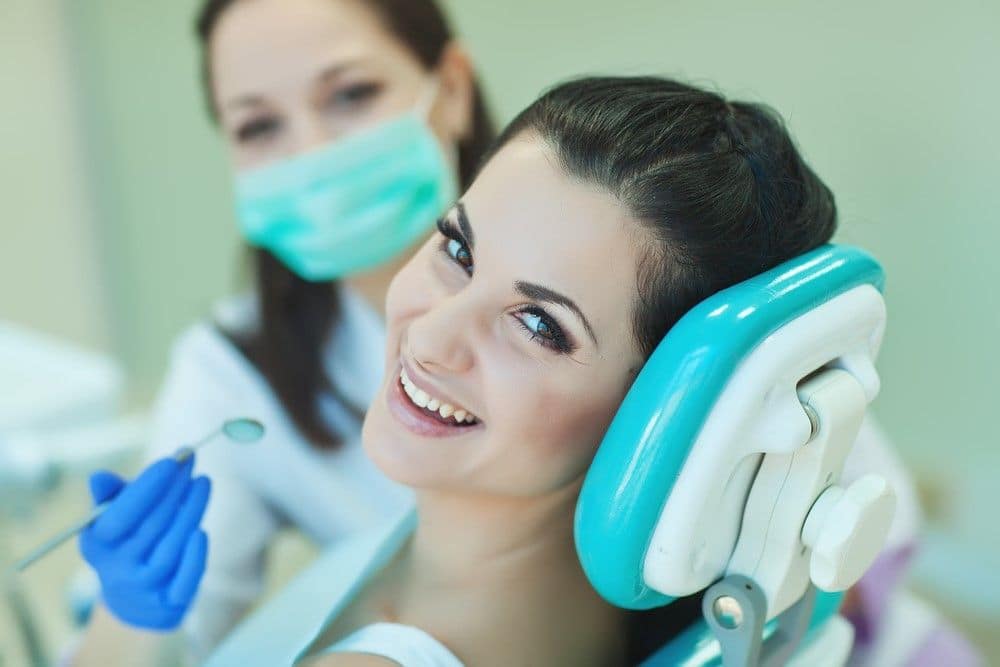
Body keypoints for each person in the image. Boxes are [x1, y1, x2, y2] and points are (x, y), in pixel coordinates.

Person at [142, 75, 939, 666]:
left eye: (537, 324)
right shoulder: (586, 605)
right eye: (458, 248)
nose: (433, 333)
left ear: (663, 408)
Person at [73, 0, 494, 661]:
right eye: (258, 126)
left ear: (453, 89)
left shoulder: (601, 273)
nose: (312, 153)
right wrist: (131, 613)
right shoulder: (235, 371)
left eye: (352, 94)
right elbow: (153, 643)